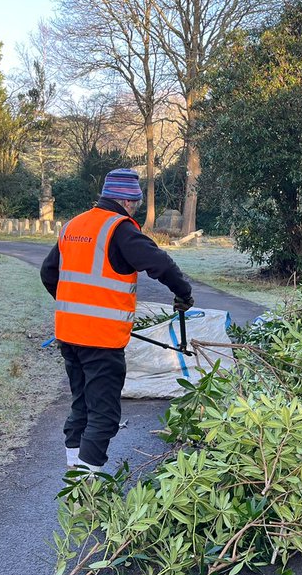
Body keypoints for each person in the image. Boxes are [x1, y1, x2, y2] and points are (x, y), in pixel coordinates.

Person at [40, 168, 194, 474]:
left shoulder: (73, 225)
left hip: (69, 335)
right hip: (101, 339)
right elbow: (160, 264)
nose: (135, 208)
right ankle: (86, 487)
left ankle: (74, 472)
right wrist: (184, 293)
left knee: (81, 404)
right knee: (104, 415)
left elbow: (48, 273)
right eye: (135, 203)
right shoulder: (120, 229)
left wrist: (74, 309)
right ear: (128, 202)